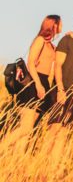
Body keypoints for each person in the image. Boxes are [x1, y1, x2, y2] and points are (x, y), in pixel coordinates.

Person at [4, 15, 62, 150]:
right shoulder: (40, 40)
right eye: (60, 24)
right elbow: (30, 62)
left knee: (27, 130)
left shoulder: (52, 46)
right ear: (53, 25)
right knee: (25, 128)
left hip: (43, 83)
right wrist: (38, 84)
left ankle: (18, 162)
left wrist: (71, 36)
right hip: (33, 83)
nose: (61, 27)